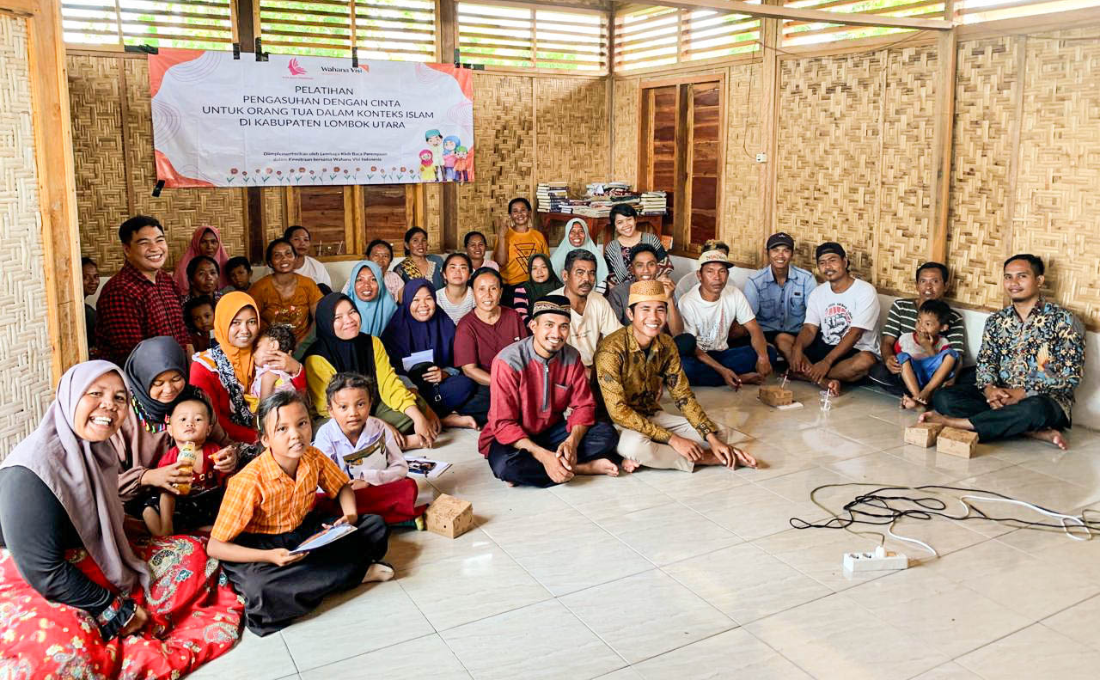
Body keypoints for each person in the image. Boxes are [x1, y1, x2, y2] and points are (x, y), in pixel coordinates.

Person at [0, 362, 243, 677]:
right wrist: (113, 609)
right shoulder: (29, 471)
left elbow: (100, 515)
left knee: (194, 553)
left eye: (119, 398)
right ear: (70, 397)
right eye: (96, 394)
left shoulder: (95, 450)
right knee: (62, 654)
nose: (109, 406)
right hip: (28, 576)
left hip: (87, 557)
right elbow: (43, 570)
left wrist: (148, 535)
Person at [207, 390, 392, 637]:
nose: (296, 435)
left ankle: (321, 580)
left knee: (374, 527)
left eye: (302, 424)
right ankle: (354, 575)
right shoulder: (248, 481)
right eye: (282, 429)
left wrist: (350, 517)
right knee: (260, 590)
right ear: (265, 439)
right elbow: (215, 547)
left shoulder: (312, 456)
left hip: (304, 532)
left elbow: (342, 488)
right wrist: (271, 557)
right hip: (261, 547)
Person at [921, 255, 1085, 450]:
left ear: (1039, 281)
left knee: (1034, 410)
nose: (1013, 283)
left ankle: (960, 423)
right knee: (944, 397)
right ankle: (1032, 431)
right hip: (999, 395)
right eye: (1008, 277)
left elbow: (1070, 375)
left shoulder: (1064, 320)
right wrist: (990, 389)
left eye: (1021, 276)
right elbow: (986, 361)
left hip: (1042, 400)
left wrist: (1022, 393)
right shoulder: (997, 321)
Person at [594, 281, 757, 473]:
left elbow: (683, 396)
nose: (653, 317)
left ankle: (665, 450)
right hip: (616, 423)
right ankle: (708, 459)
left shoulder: (666, 344)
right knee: (635, 447)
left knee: (719, 433)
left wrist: (712, 440)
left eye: (660, 310)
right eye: (645, 309)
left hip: (651, 415)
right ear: (630, 315)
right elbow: (618, 411)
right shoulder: (611, 350)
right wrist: (674, 439)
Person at [481, 296, 626, 487]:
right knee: (506, 466)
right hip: (514, 439)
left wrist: (572, 443)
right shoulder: (507, 362)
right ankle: (581, 468)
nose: (556, 334)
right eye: (549, 325)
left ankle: (551, 465)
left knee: (606, 435)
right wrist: (542, 456)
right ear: (533, 326)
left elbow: (584, 405)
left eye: (563, 326)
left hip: (550, 432)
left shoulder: (571, 356)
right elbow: (503, 423)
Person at [306, 292, 442, 446]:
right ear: (326, 322)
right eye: (338, 317)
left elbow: (389, 385)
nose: (349, 320)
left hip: (372, 406)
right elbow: (330, 408)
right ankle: (404, 442)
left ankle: (380, 442)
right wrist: (379, 425)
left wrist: (418, 417)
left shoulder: (372, 342)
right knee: (333, 432)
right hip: (340, 417)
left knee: (415, 405)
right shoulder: (316, 357)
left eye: (352, 312)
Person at [116, 336, 237, 506]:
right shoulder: (123, 414)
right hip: (144, 505)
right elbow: (107, 482)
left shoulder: (197, 398)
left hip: (202, 497)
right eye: (157, 383)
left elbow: (223, 442)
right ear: (141, 380)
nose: (169, 389)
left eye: (176, 379)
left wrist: (230, 457)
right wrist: (148, 477)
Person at [191, 292, 307, 444]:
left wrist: (296, 368)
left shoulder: (262, 355)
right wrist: (260, 439)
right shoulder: (204, 366)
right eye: (235, 323)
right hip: (226, 445)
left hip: (275, 437)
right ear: (222, 322)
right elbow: (212, 420)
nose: (245, 330)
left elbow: (299, 398)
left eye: (251, 322)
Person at [313, 373, 427, 525]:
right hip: (342, 497)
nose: (353, 413)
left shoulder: (379, 428)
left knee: (409, 486)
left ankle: (362, 521)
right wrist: (346, 488)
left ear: (370, 403)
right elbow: (320, 483)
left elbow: (400, 468)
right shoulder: (325, 435)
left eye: (360, 404)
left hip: (373, 488)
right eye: (343, 407)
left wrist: (369, 480)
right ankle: (398, 518)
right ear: (331, 411)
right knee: (319, 502)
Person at [383, 280, 489, 428]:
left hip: (438, 387)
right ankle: (444, 419)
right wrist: (411, 387)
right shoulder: (395, 329)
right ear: (407, 302)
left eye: (428, 298)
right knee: (395, 406)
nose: (423, 305)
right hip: (408, 390)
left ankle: (429, 417)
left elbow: (458, 361)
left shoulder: (443, 323)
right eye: (416, 300)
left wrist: (444, 373)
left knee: (466, 385)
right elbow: (388, 371)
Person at [96, 216, 192, 365]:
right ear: (127, 250)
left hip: (176, 376)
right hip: (146, 381)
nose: (155, 248)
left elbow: (182, 332)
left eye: (159, 240)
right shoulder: (119, 291)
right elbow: (133, 355)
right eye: (144, 242)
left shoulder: (167, 281)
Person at [789, 242, 881, 396]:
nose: (828, 267)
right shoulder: (818, 293)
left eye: (833, 260)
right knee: (784, 340)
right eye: (822, 263)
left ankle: (807, 375)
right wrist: (797, 348)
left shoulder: (865, 291)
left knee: (866, 361)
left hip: (855, 350)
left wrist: (826, 362)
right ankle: (823, 380)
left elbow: (855, 333)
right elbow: (810, 328)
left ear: (845, 262)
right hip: (826, 345)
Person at [679, 250, 776, 388]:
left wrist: (763, 357)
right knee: (684, 368)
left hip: (723, 354)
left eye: (722, 271)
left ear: (728, 275)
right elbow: (692, 348)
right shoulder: (687, 302)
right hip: (699, 356)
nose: (717, 277)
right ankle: (738, 377)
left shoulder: (734, 294)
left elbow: (754, 328)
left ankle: (723, 377)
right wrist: (723, 371)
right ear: (699, 275)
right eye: (710, 271)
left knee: (769, 352)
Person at [869, 261, 967, 395]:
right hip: (906, 369)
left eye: (935, 281)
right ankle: (924, 395)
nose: (928, 287)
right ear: (916, 285)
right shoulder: (901, 306)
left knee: (960, 379)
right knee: (877, 372)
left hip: (935, 373)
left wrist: (952, 379)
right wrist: (889, 360)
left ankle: (917, 394)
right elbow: (887, 342)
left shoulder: (953, 317)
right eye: (923, 281)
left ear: (946, 286)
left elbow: (957, 356)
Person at [141, 394, 229, 536]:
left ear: (208, 429)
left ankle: (205, 529)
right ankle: (164, 530)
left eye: (198, 419)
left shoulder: (214, 451)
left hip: (208, 502)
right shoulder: (170, 458)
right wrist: (167, 519)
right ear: (170, 430)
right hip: (180, 504)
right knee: (150, 506)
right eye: (183, 419)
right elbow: (165, 491)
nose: (190, 423)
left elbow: (227, 479)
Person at [743, 233, 818, 363]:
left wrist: (799, 346)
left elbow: (814, 317)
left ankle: (801, 369)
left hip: (797, 335)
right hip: (765, 335)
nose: (780, 255)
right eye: (775, 250)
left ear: (792, 253)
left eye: (786, 251)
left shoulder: (806, 279)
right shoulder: (755, 282)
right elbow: (749, 319)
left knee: (785, 340)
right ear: (767, 253)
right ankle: (809, 374)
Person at [455, 268, 529, 386]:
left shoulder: (513, 316)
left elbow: (526, 354)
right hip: (486, 385)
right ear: (473, 292)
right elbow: (469, 370)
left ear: (500, 292)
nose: (488, 295)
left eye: (493, 288)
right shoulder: (466, 325)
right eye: (481, 289)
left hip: (518, 380)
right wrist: (502, 383)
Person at [550, 249, 621, 371]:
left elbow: (617, 336)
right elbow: (551, 351)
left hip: (594, 367)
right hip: (562, 369)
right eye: (580, 272)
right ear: (565, 276)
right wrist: (585, 373)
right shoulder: (551, 304)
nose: (587, 279)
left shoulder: (599, 301)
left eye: (592, 273)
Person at [250, 238, 324, 346]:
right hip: (270, 346)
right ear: (270, 262)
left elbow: (319, 318)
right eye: (277, 255)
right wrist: (271, 343)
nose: (284, 258)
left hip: (304, 344)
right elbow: (252, 320)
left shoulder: (308, 284)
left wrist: (303, 343)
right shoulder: (259, 288)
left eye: (288, 254)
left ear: (295, 258)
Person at [894, 300, 961, 410]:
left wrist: (928, 347)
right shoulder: (905, 339)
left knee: (952, 354)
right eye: (919, 321)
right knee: (902, 356)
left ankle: (926, 392)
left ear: (943, 327)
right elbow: (898, 361)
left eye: (928, 324)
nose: (921, 327)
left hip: (933, 379)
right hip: (913, 376)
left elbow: (942, 366)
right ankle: (918, 398)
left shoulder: (943, 343)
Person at [607, 243, 684, 334]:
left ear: (658, 268)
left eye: (651, 264)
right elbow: (613, 331)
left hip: (660, 343)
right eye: (639, 265)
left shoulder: (666, 289)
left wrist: (669, 298)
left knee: (687, 340)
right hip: (630, 343)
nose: (646, 270)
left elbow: (677, 332)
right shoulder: (619, 292)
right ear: (632, 270)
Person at [603, 204, 671, 290]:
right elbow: (610, 277)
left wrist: (658, 282)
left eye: (629, 219)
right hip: (625, 293)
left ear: (635, 220)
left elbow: (665, 266)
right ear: (615, 226)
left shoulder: (651, 239)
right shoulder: (611, 247)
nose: (626, 225)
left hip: (653, 289)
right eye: (620, 222)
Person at [494, 197, 548, 303]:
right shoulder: (505, 235)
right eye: (515, 211)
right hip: (511, 288)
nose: (520, 214)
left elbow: (546, 263)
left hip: (535, 287)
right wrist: (501, 237)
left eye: (523, 210)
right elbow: (501, 262)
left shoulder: (538, 236)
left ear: (529, 212)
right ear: (510, 215)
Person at [549, 218, 608, 294]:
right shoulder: (556, 258)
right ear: (567, 234)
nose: (576, 235)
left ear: (586, 233)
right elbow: (551, 285)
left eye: (581, 231)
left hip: (591, 297)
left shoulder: (596, 254)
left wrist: (593, 300)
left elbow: (602, 283)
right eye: (572, 231)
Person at [344, 259, 398, 336]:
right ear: (352, 284)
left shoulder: (392, 310)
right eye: (359, 280)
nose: (366, 285)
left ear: (380, 283)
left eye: (373, 279)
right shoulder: (343, 311)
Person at [251, 324, 299, 405]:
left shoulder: (269, 375)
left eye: (256, 347)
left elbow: (264, 407)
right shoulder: (280, 371)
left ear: (273, 345)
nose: (253, 353)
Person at [173, 225, 230, 292]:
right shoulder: (184, 268)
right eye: (204, 242)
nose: (209, 246)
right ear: (196, 244)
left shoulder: (226, 266)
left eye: (213, 242)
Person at [512, 253, 562, 322]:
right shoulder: (521, 290)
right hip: (532, 330)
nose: (539, 272)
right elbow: (520, 315)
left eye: (544, 267)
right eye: (534, 268)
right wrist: (537, 327)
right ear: (530, 271)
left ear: (550, 268)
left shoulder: (559, 288)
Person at [284, 225, 333, 291]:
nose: (302, 243)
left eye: (306, 240)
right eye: (296, 239)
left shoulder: (317, 267)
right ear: (286, 242)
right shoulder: (276, 267)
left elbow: (328, 295)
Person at [436, 252, 476, 324]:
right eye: (453, 267)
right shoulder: (436, 297)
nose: (457, 272)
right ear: (444, 274)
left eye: (463, 268)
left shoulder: (476, 296)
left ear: (470, 275)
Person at [83, 256, 99, 351]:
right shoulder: (87, 312)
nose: (93, 282)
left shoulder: (87, 309)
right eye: (85, 277)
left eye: (95, 276)